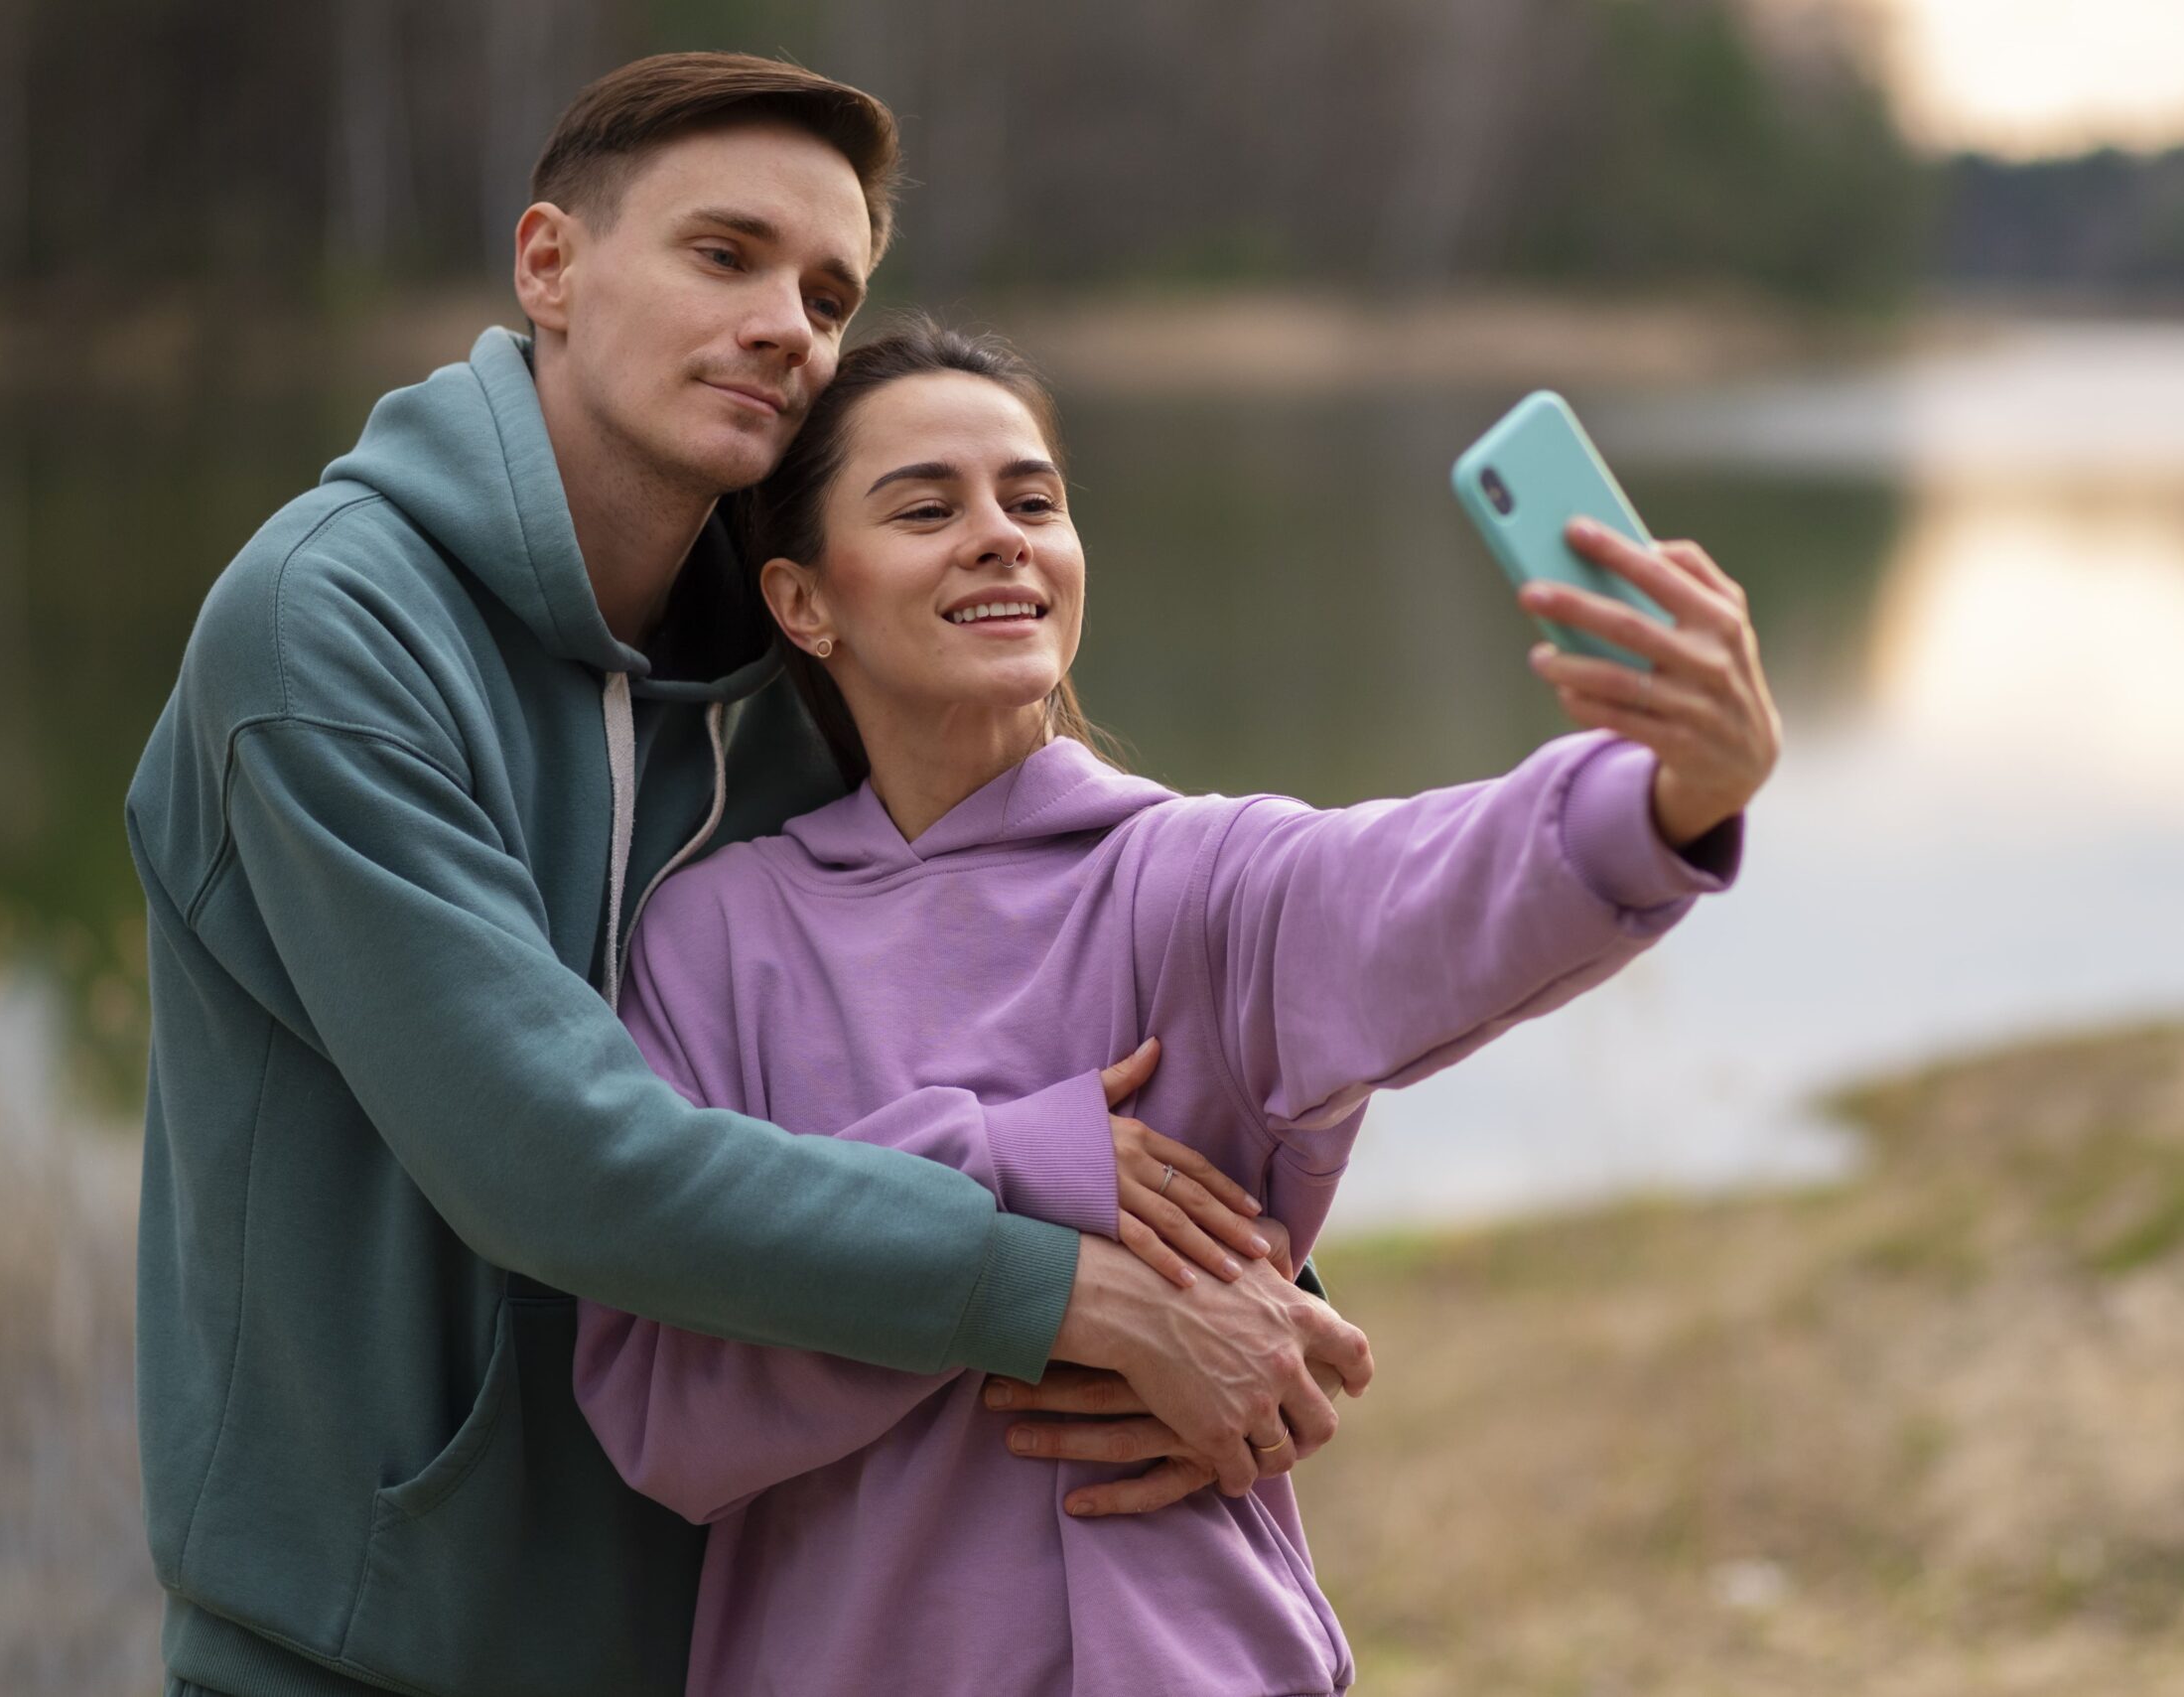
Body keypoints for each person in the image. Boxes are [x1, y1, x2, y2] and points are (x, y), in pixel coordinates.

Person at [124, 54, 1367, 1697]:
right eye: (727, 255)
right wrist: (1069, 1294)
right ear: (549, 265)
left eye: (829, 287)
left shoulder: (803, 647)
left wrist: (1242, 1286)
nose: (791, 321)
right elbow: (554, 1155)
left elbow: (1022, 978)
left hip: (727, 1623)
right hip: (368, 1641)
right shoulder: (326, 631)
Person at [571, 318, 1778, 1695]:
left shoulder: (1194, 881)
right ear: (803, 602)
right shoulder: (714, 937)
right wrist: (1019, 1174)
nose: (1001, 536)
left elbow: (1426, 888)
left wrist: (1668, 793)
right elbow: (661, 1405)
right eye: (926, 507)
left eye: (1034, 500)